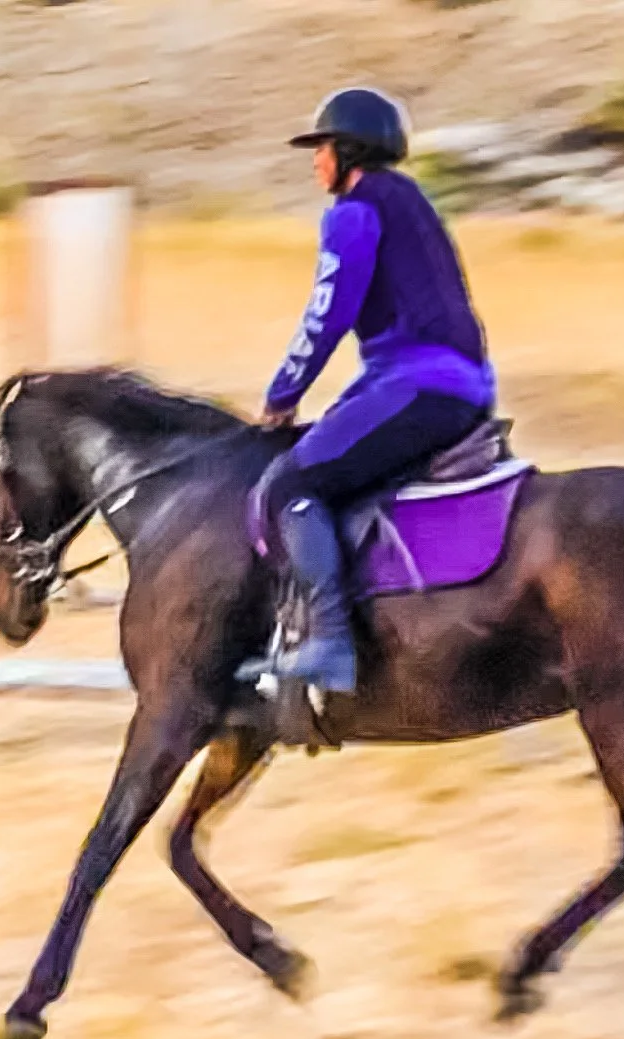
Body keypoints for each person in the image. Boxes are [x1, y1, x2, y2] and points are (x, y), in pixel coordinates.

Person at [242, 87, 497, 694]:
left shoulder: (354, 211)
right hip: (455, 383)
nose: (314, 160)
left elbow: (328, 313)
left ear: (348, 151)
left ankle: (329, 642)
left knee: (294, 482)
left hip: (419, 385)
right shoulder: (412, 201)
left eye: (321, 146)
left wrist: (282, 395)